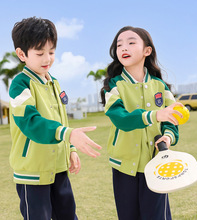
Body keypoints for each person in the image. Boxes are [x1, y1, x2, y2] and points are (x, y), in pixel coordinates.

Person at [9, 17, 101, 220]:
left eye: (51, 52)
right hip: (32, 172)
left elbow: (62, 120)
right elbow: (30, 122)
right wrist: (67, 135)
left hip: (59, 168)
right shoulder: (20, 85)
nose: (47, 59)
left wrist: (71, 149)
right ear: (21, 54)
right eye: (40, 53)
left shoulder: (54, 82)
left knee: (68, 215)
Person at [100, 26, 183, 220]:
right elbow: (121, 119)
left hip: (156, 164)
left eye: (131, 42)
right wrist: (154, 116)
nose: (123, 48)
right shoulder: (114, 86)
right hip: (123, 166)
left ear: (147, 50)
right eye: (119, 45)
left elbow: (172, 119)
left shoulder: (160, 86)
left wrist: (168, 137)